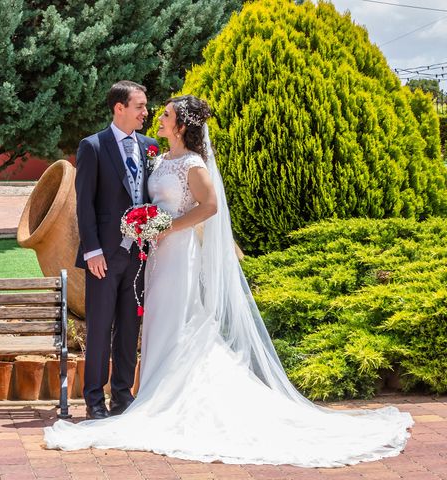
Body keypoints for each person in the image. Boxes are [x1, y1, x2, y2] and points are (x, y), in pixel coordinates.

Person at [45, 95, 413, 467]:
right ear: (119, 108)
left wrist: (167, 226)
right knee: (150, 324)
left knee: (165, 324)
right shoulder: (146, 154)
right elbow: (101, 201)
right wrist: (126, 234)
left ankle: (140, 399)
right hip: (147, 256)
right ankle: (122, 399)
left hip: (175, 253)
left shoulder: (184, 160)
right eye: (146, 108)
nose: (154, 116)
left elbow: (210, 206)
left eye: (164, 115)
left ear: (182, 126)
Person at [74, 80, 159, 420]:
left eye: (146, 106)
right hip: (105, 257)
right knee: (99, 328)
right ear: (119, 108)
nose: (145, 112)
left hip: (139, 257)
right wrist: (92, 251)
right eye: (139, 106)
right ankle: (94, 399)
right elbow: (85, 205)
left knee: (128, 328)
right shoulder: (93, 147)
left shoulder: (150, 147)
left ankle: (123, 396)